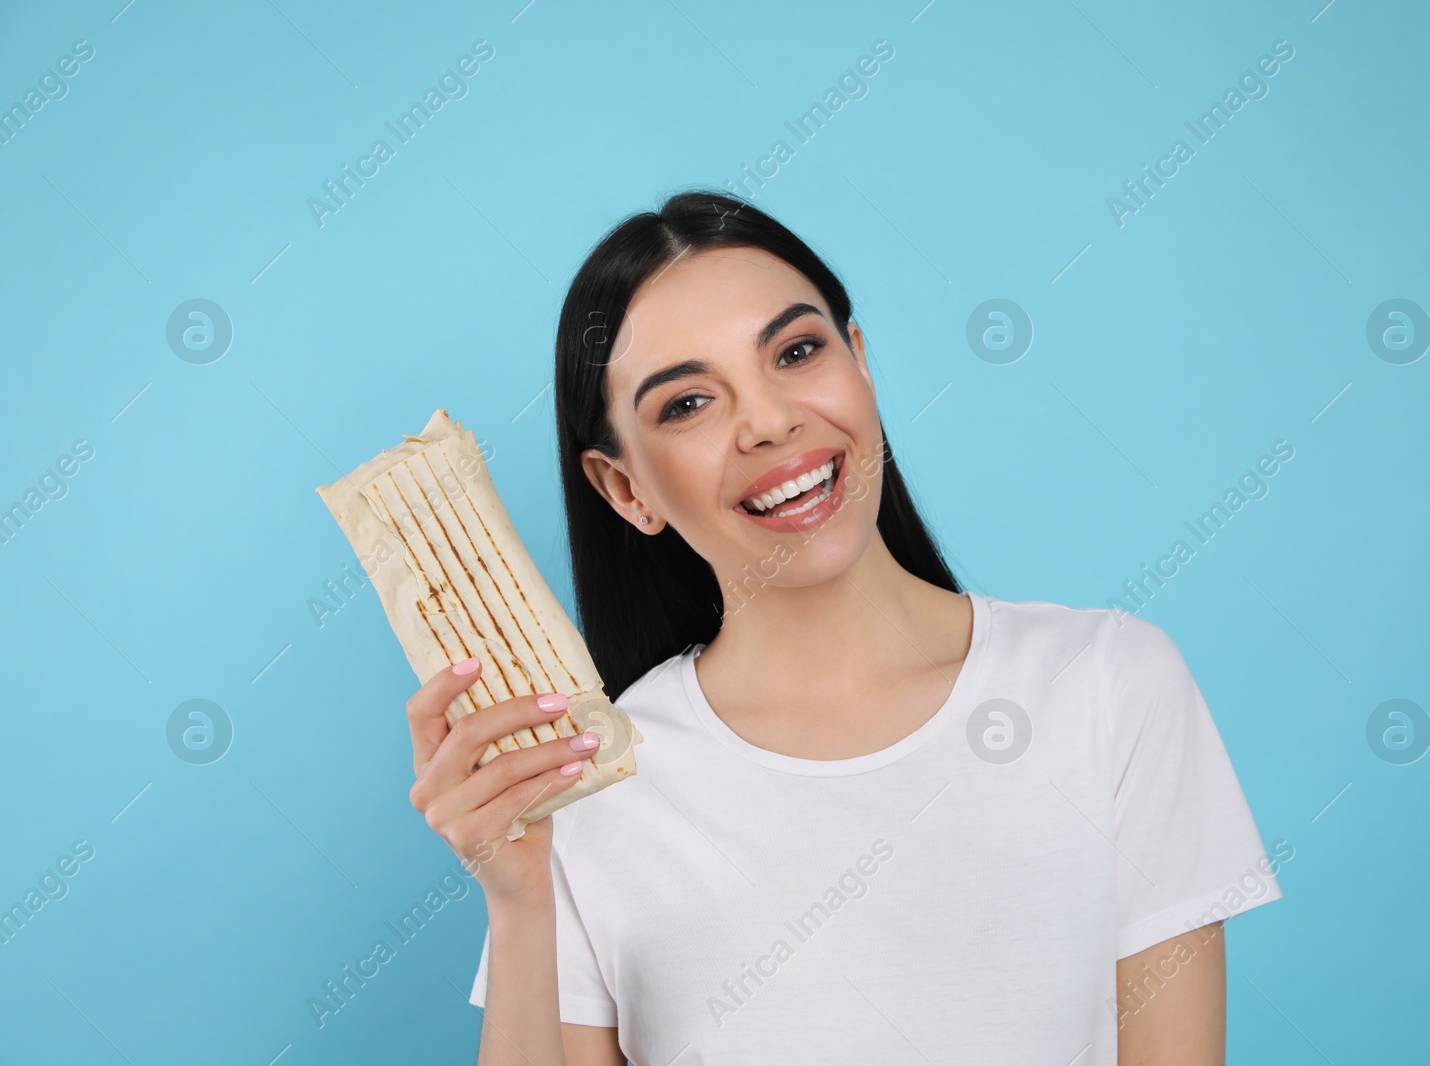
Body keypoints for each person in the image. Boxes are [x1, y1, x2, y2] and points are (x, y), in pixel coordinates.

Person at [403, 190, 1284, 1065]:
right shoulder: (589, 785)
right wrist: (519, 906)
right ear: (625, 489)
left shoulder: (1106, 684)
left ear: (859, 361)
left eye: (796, 351)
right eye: (687, 404)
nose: (771, 421)